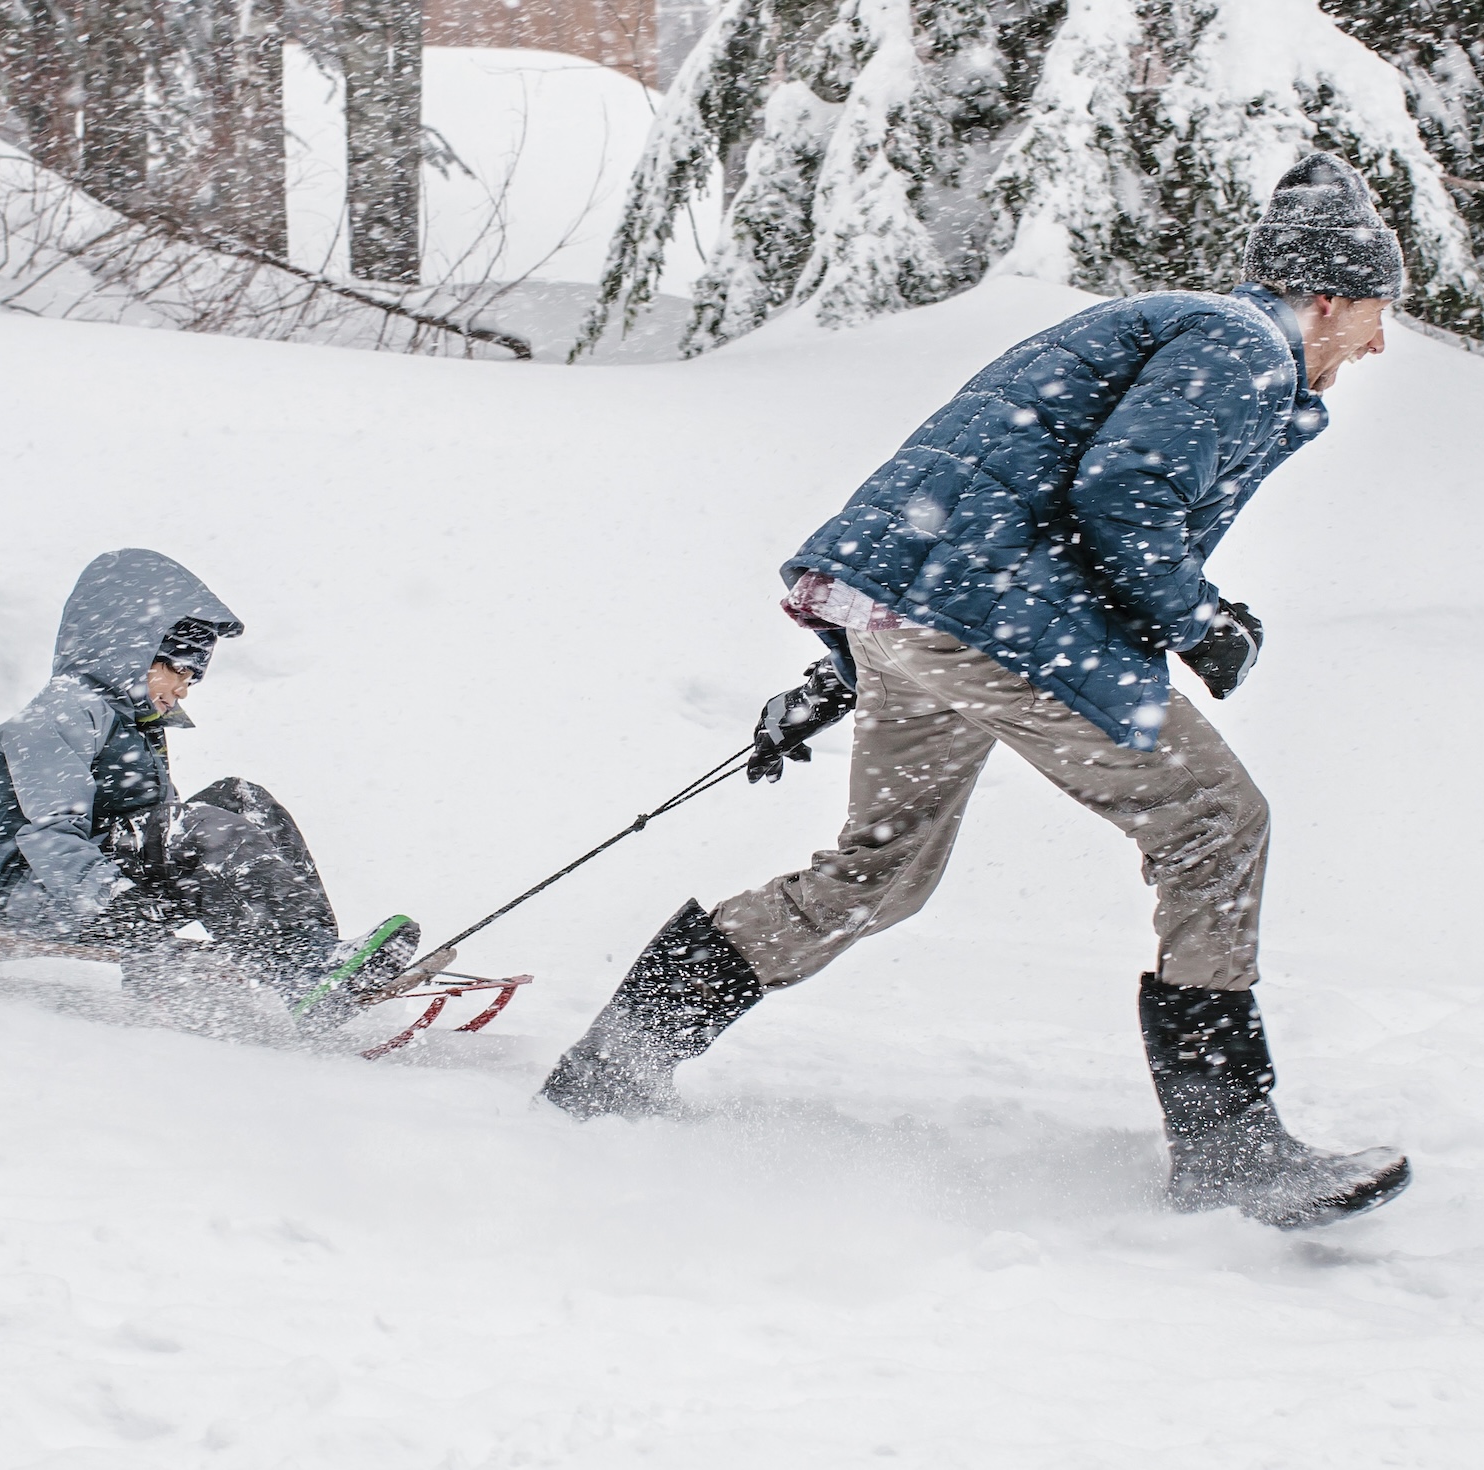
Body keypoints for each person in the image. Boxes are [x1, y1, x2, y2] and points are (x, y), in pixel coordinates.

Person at [539, 154, 1413, 1229]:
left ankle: (614, 1065)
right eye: (1374, 314)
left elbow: (977, 483)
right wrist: (1200, 619)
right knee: (1217, 824)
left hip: (913, 609)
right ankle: (1228, 1143)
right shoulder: (1238, 345)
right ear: (1324, 297)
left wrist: (849, 663)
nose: (1376, 343)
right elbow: (1123, 492)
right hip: (997, 618)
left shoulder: (1162, 327)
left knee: (879, 872)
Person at [0, 548, 418, 1022]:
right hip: (51, 899)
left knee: (240, 800)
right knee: (199, 828)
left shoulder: (128, 719)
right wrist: (117, 902)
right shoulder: (59, 714)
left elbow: (151, 828)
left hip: (116, 889)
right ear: (129, 650)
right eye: (178, 668)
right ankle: (301, 967)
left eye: (192, 675)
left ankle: (314, 954)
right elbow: (48, 834)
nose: (185, 688)